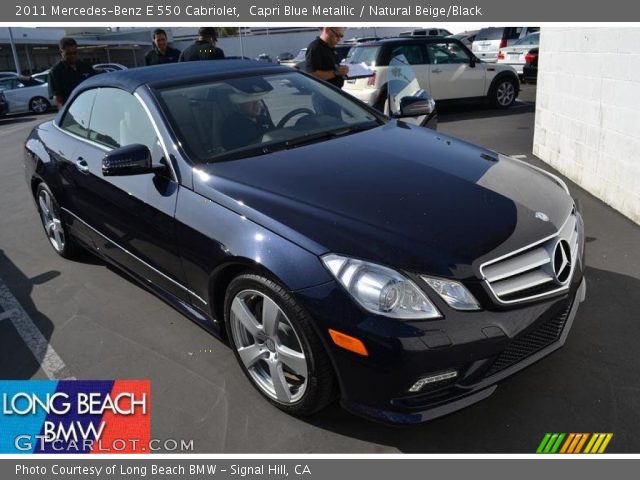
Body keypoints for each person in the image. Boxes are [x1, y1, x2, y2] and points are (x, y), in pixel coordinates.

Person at [48, 37, 95, 108]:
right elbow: (57, 98)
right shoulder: (55, 72)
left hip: (90, 108)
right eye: (68, 54)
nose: (72, 56)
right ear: (61, 52)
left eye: (75, 53)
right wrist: (64, 115)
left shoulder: (86, 67)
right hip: (72, 110)